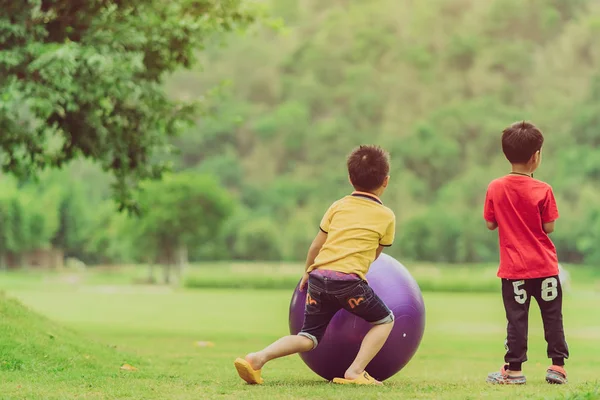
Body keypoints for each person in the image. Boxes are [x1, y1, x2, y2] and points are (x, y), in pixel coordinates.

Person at [234, 145, 396, 386]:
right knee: (385, 320)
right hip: (350, 282)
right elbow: (374, 254)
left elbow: (315, 246)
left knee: (308, 337)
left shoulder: (338, 206)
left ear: (350, 178)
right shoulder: (387, 216)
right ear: (386, 181)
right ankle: (355, 371)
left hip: (319, 279)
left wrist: (308, 272)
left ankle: (257, 358)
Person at [484, 121, 569, 385]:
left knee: (516, 321)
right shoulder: (543, 189)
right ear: (536, 156)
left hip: (514, 270)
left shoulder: (496, 187)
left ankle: (515, 371)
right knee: (552, 317)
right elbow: (549, 226)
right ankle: (557, 367)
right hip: (544, 267)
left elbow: (490, 223)